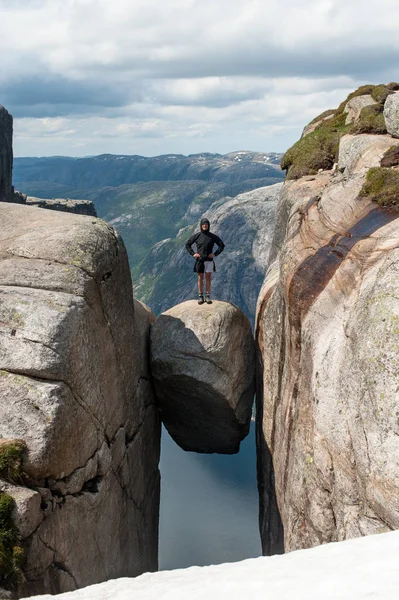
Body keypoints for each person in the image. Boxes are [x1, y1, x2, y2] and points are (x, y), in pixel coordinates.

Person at [185, 217, 225, 305]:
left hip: (209, 260)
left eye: (206, 224)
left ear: (208, 226)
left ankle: (207, 296)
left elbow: (221, 245)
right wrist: (193, 254)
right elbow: (187, 244)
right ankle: (200, 296)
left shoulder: (212, 236)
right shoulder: (197, 236)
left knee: (208, 278)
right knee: (200, 278)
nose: (205, 225)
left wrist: (215, 254)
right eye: (203, 224)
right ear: (201, 226)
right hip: (199, 260)